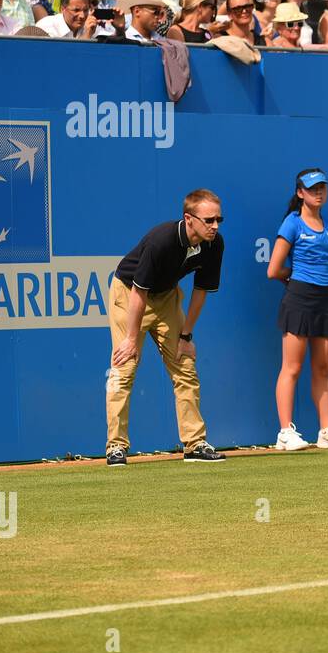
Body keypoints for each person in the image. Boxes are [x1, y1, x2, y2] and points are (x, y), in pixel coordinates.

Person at [106, 190, 225, 466]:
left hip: (167, 298)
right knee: (125, 366)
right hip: (129, 295)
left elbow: (201, 291)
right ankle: (116, 446)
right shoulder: (162, 240)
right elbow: (138, 291)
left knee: (185, 365)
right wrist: (131, 339)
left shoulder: (214, 244)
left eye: (218, 219)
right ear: (189, 218)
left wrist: (186, 335)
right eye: (209, 220)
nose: (215, 226)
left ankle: (195, 444)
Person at [265, 169, 328, 452]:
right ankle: (284, 433)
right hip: (299, 298)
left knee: (323, 367)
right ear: (300, 193)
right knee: (292, 367)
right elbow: (273, 270)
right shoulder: (291, 224)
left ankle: (326, 431)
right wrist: (294, 279)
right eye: (312, 188)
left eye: (322, 188)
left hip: (325, 298)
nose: (318, 192)